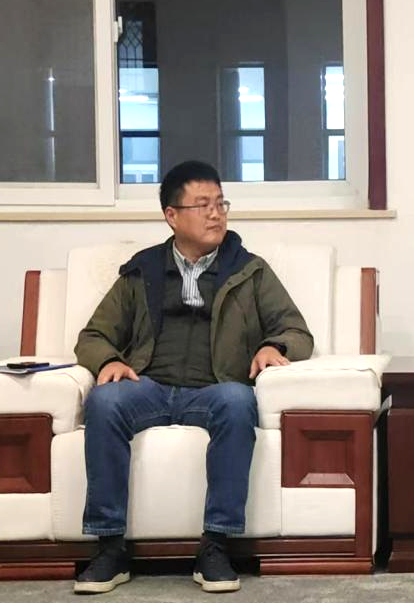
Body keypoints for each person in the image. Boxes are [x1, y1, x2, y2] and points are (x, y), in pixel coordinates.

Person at [72, 160, 313, 594]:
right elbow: (93, 336)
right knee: (104, 402)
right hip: (148, 386)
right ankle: (109, 548)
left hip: (215, 388)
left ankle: (216, 546)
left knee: (239, 402)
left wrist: (272, 346)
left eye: (221, 203)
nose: (216, 214)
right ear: (172, 215)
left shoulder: (250, 271)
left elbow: (296, 331)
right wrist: (107, 360)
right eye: (203, 205)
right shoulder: (142, 270)